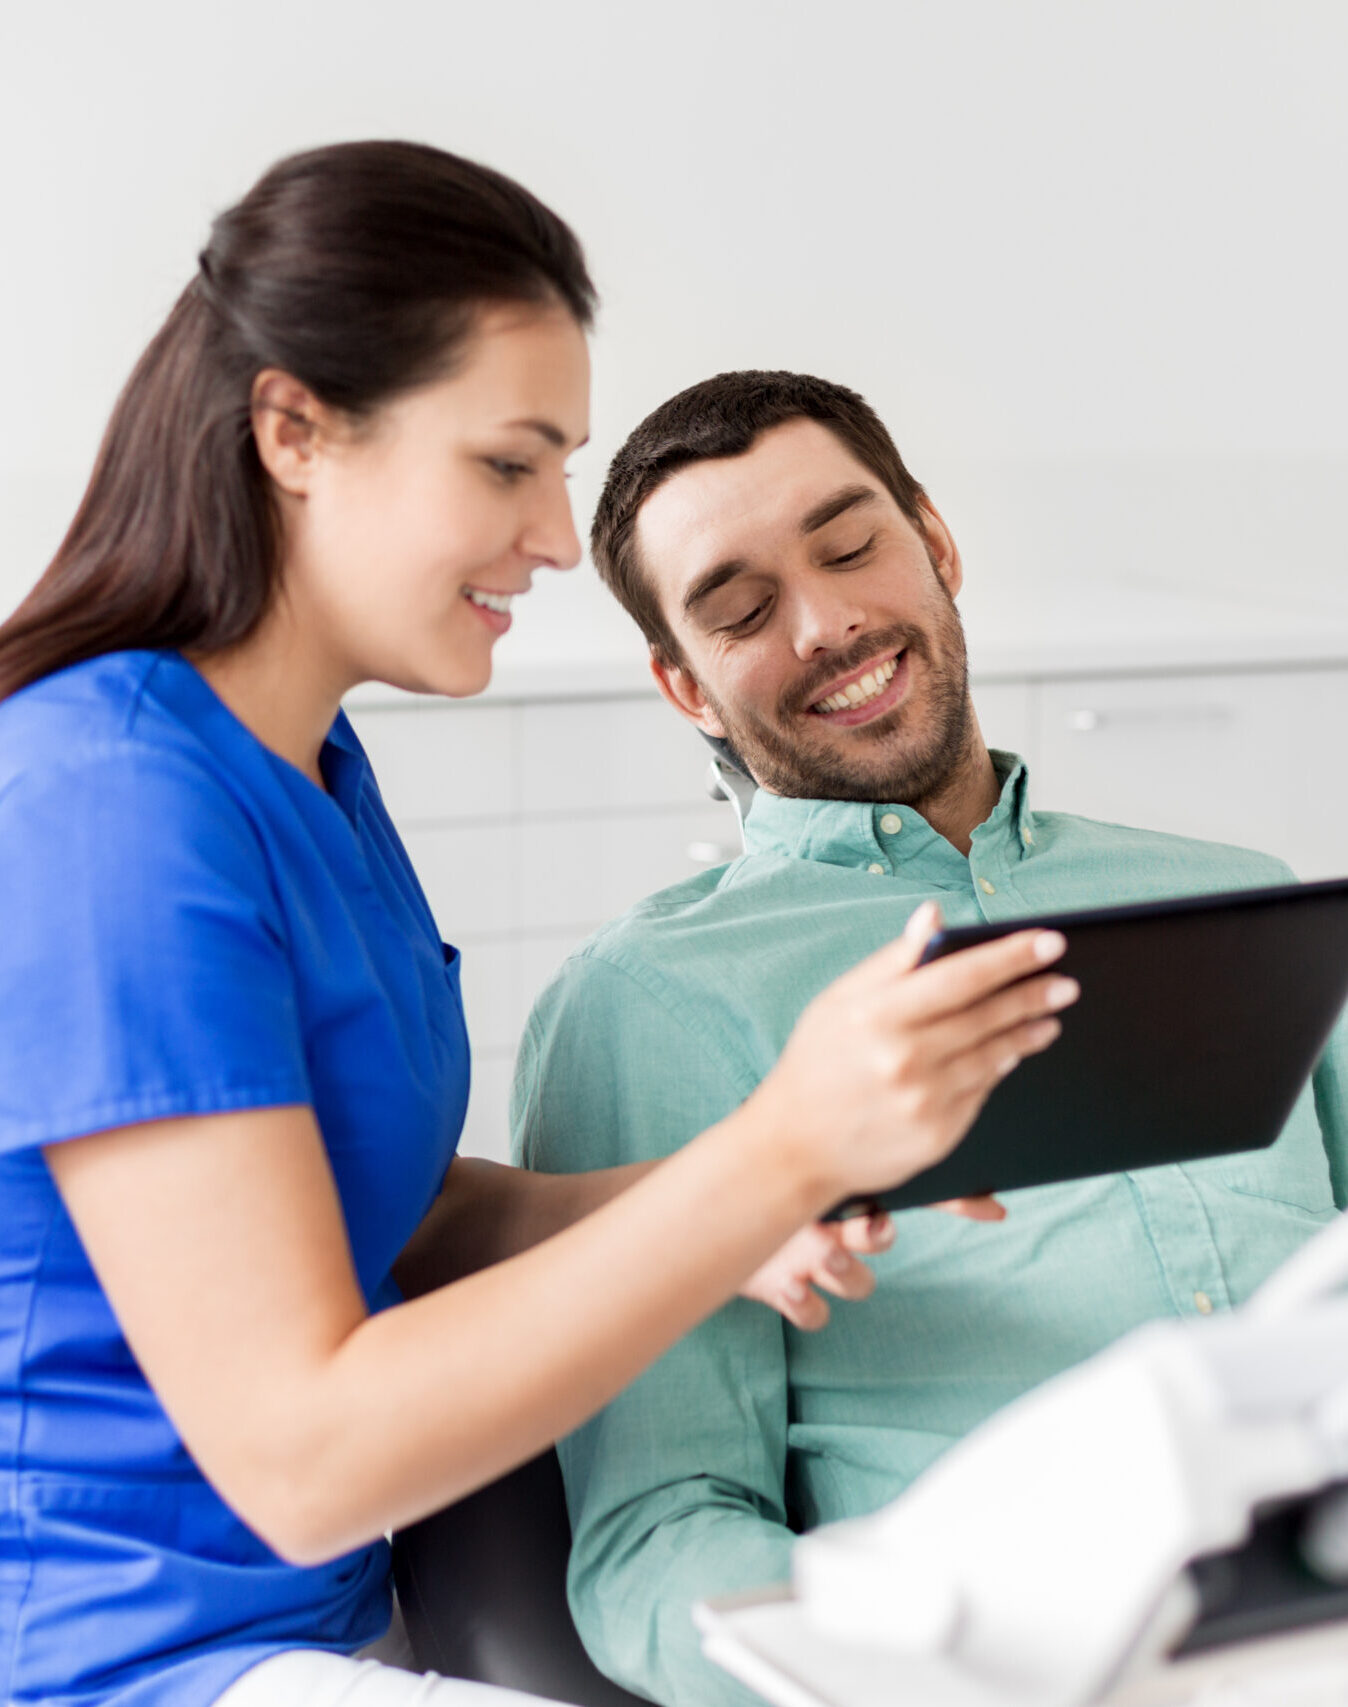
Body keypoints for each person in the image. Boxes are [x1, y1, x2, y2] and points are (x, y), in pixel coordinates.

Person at [0, 149, 1078, 1707]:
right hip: (124, 1662)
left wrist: (750, 1209)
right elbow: (303, 1458)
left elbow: (395, 1213)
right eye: (510, 466)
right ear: (293, 431)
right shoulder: (107, 806)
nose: (564, 540)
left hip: (321, 1623)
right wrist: (769, 1150)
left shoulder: (303, 768)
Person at [512, 369, 1348, 1707]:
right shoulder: (647, 1006)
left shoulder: (1237, 889)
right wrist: (913, 1666)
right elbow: (661, 1544)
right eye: (741, 611)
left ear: (936, 543)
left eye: (853, 549)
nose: (830, 623)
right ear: (685, 688)